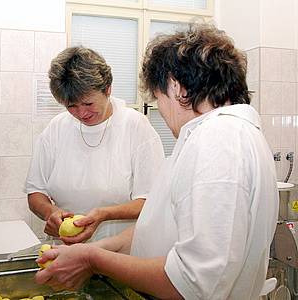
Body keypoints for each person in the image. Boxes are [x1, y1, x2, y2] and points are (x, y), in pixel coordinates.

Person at [35, 24, 279, 299]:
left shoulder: (219, 142)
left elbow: (194, 282)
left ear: (175, 87)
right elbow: (155, 227)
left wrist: (93, 259)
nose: (160, 109)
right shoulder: (211, 137)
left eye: (157, 97)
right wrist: (89, 252)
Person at [25, 46, 164, 244]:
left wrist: (104, 214)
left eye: (88, 104)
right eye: (71, 106)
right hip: (66, 250)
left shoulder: (136, 127)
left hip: (119, 252)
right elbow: (35, 192)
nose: (81, 113)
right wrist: (51, 212)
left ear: (107, 89)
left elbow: (151, 201)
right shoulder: (57, 127)